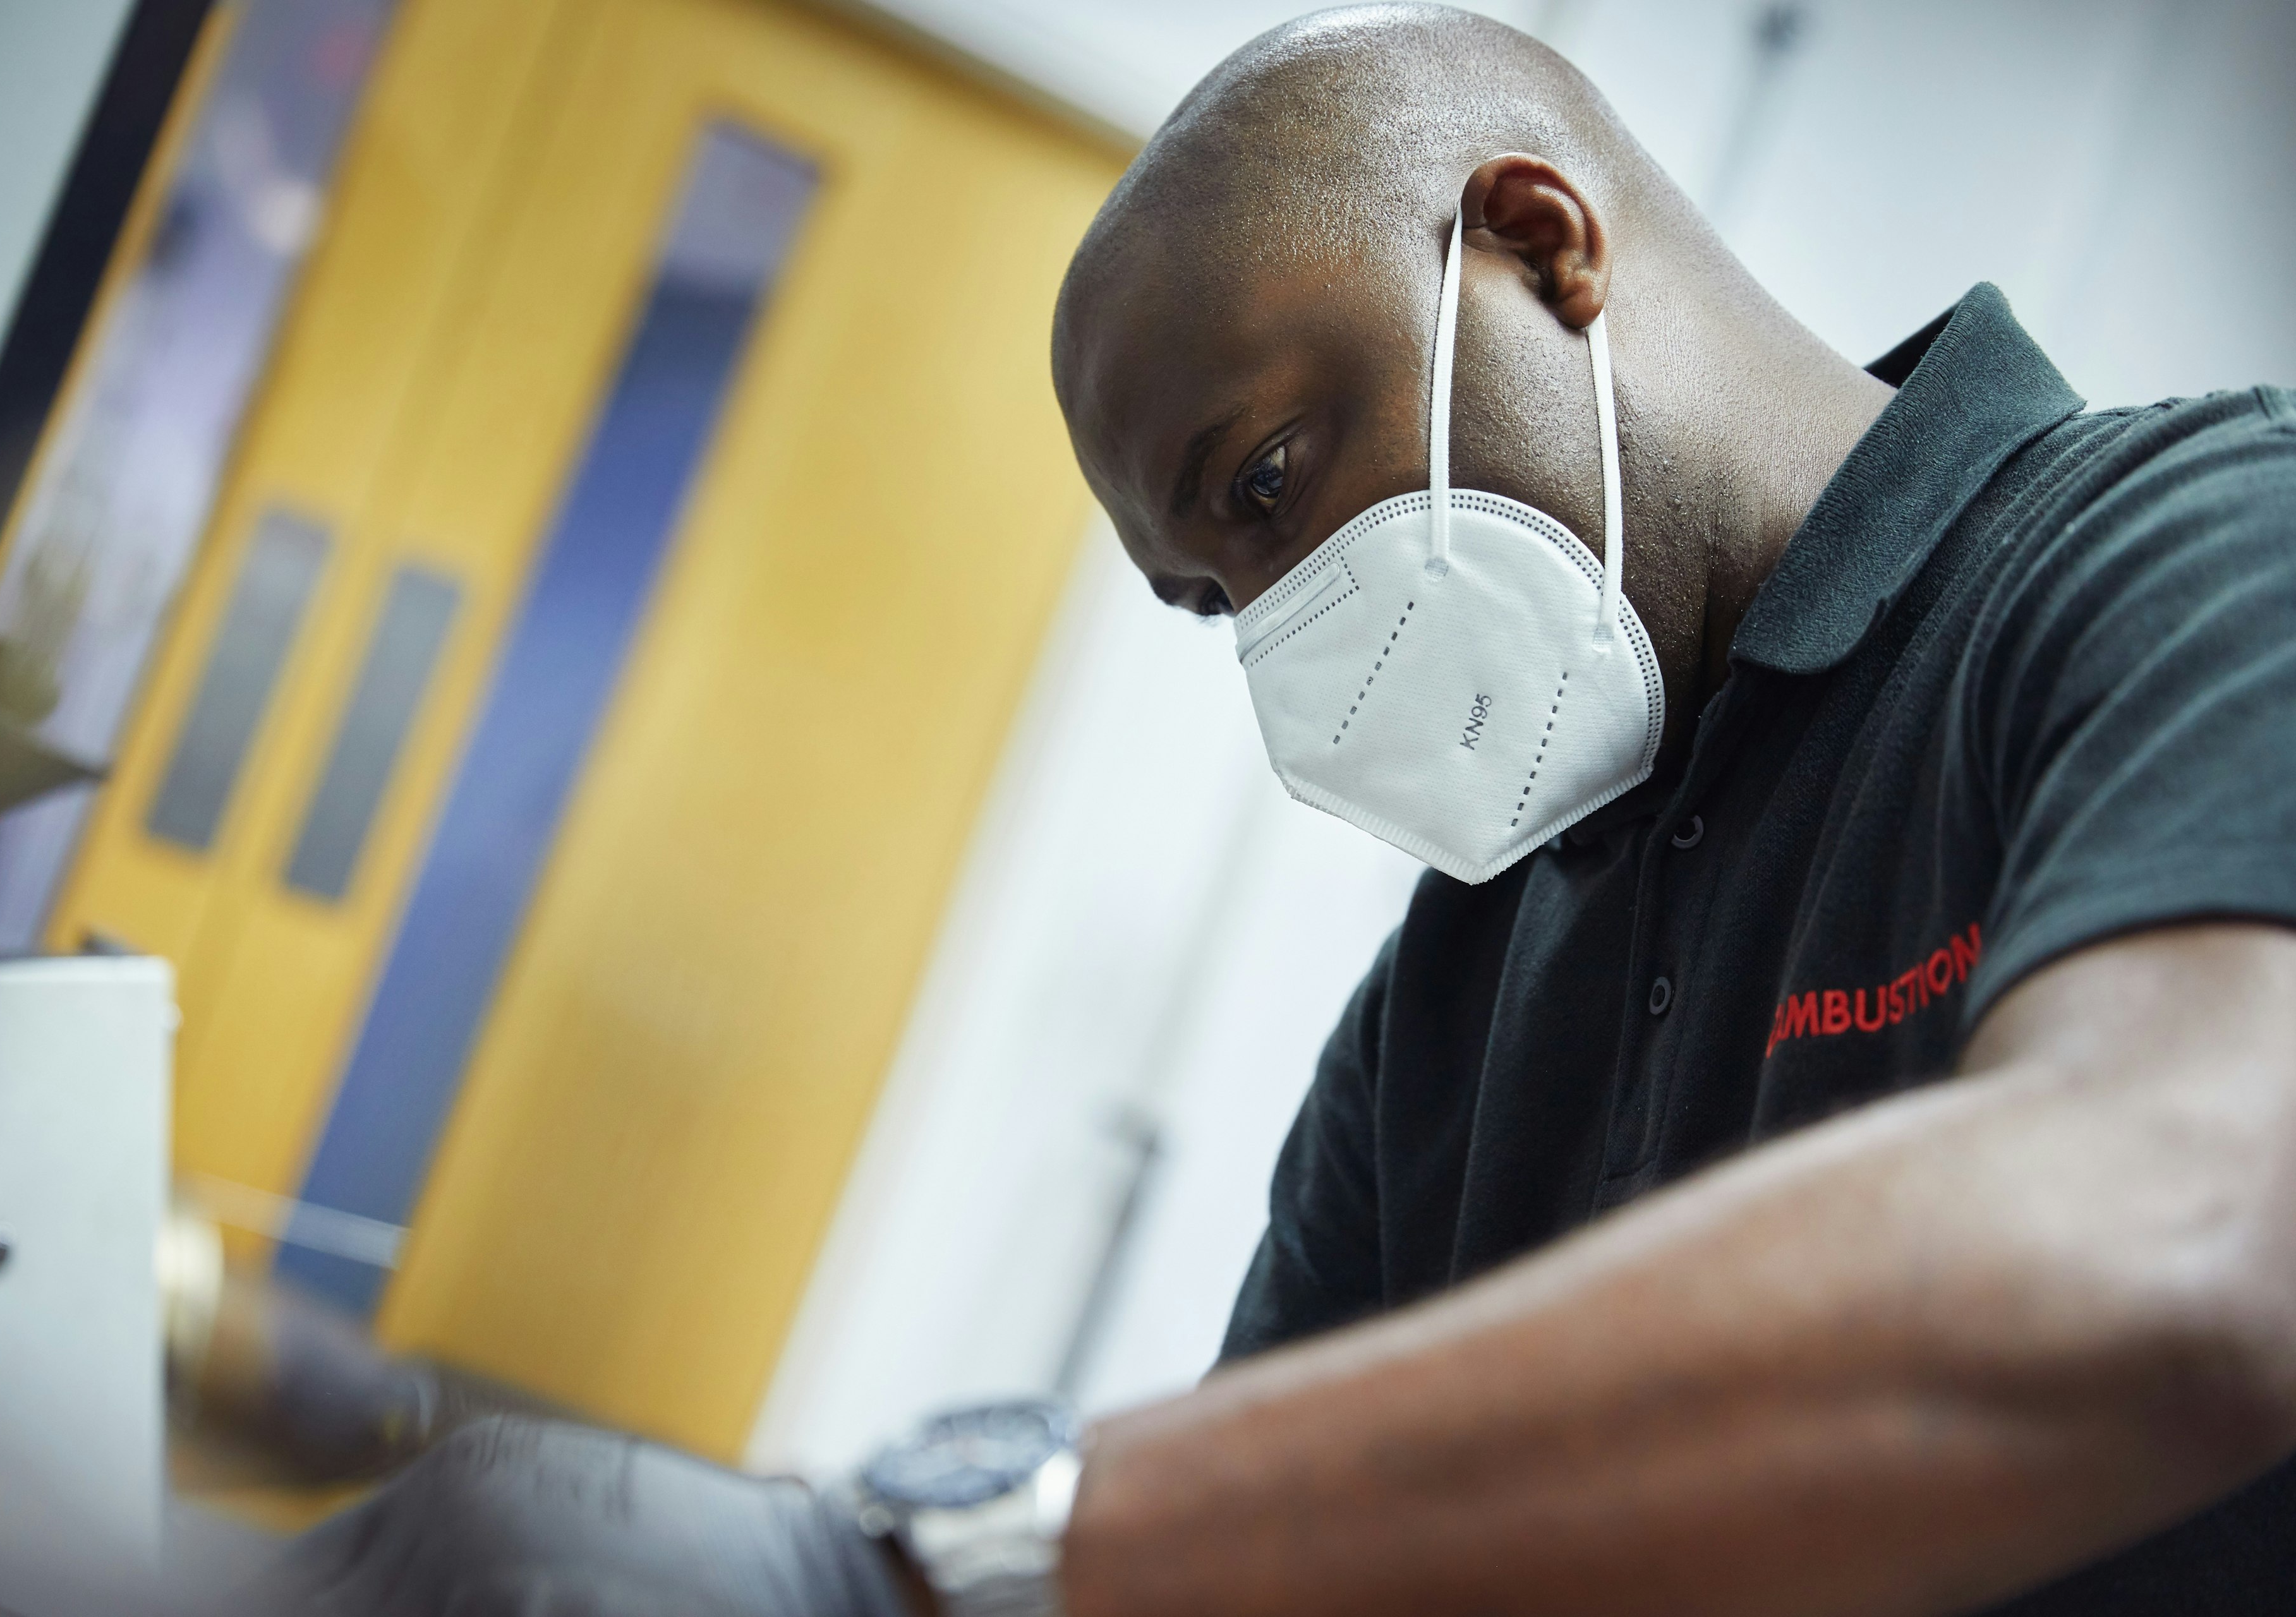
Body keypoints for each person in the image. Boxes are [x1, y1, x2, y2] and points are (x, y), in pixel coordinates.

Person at [271, 6, 2296, 1614]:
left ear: (1539, 244)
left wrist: (938, 1559)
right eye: (1213, 601)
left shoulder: (2183, 558)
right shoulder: (1456, 1004)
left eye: (1265, 484)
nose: (1282, 625)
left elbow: (2184, 1238)